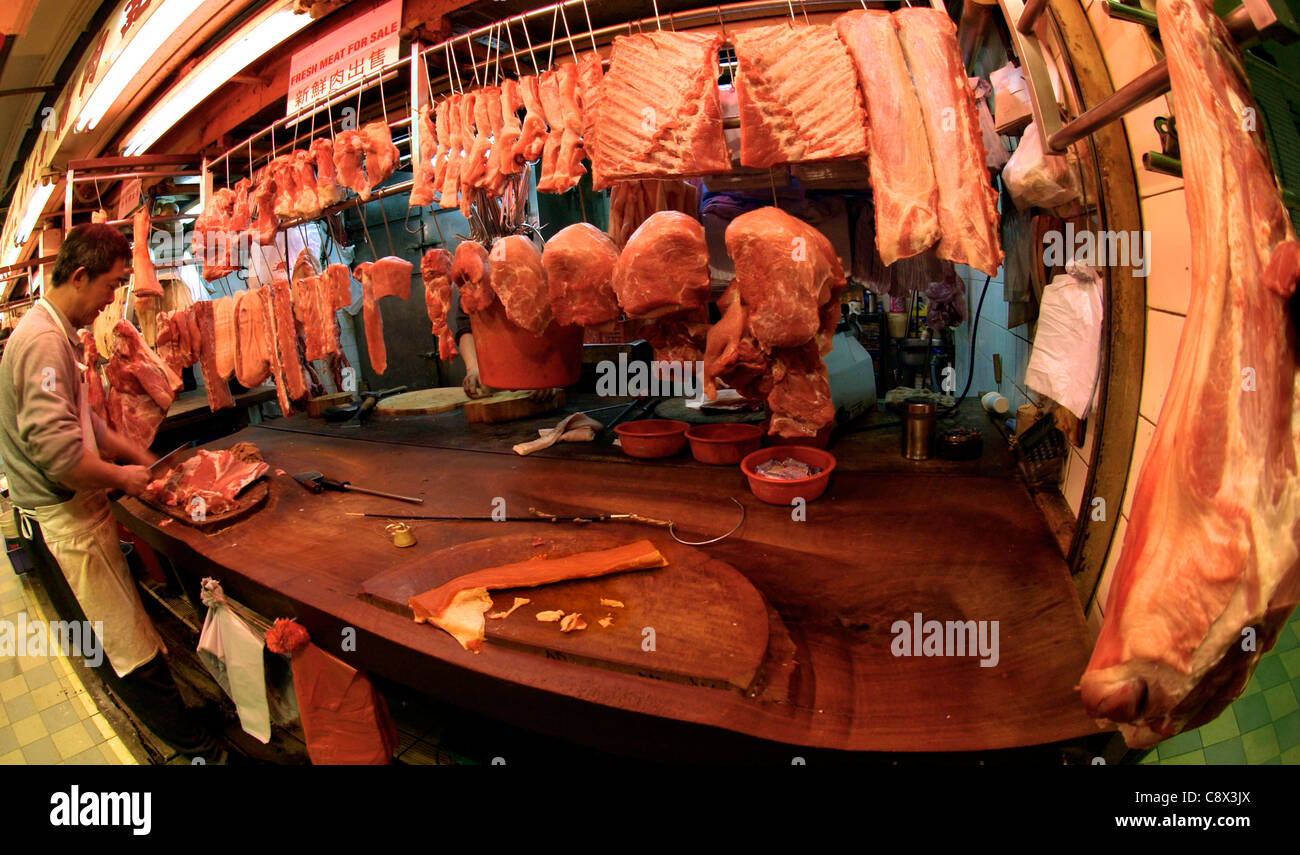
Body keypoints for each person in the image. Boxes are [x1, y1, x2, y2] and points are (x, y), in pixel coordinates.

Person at [0, 223, 218, 761]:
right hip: (66, 525)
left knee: (126, 629)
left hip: (78, 513)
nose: (108, 304)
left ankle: (186, 723)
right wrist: (124, 479)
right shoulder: (42, 342)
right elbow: (59, 456)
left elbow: (83, 423)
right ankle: (191, 745)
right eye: (109, 286)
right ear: (79, 276)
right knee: (122, 642)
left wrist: (137, 455)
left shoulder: (53, 332)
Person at [446, 284, 555, 403]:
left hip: (545, 380)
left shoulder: (540, 275)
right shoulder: (475, 282)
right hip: (496, 388)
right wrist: (473, 367)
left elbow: (559, 325)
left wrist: (551, 372)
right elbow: (466, 328)